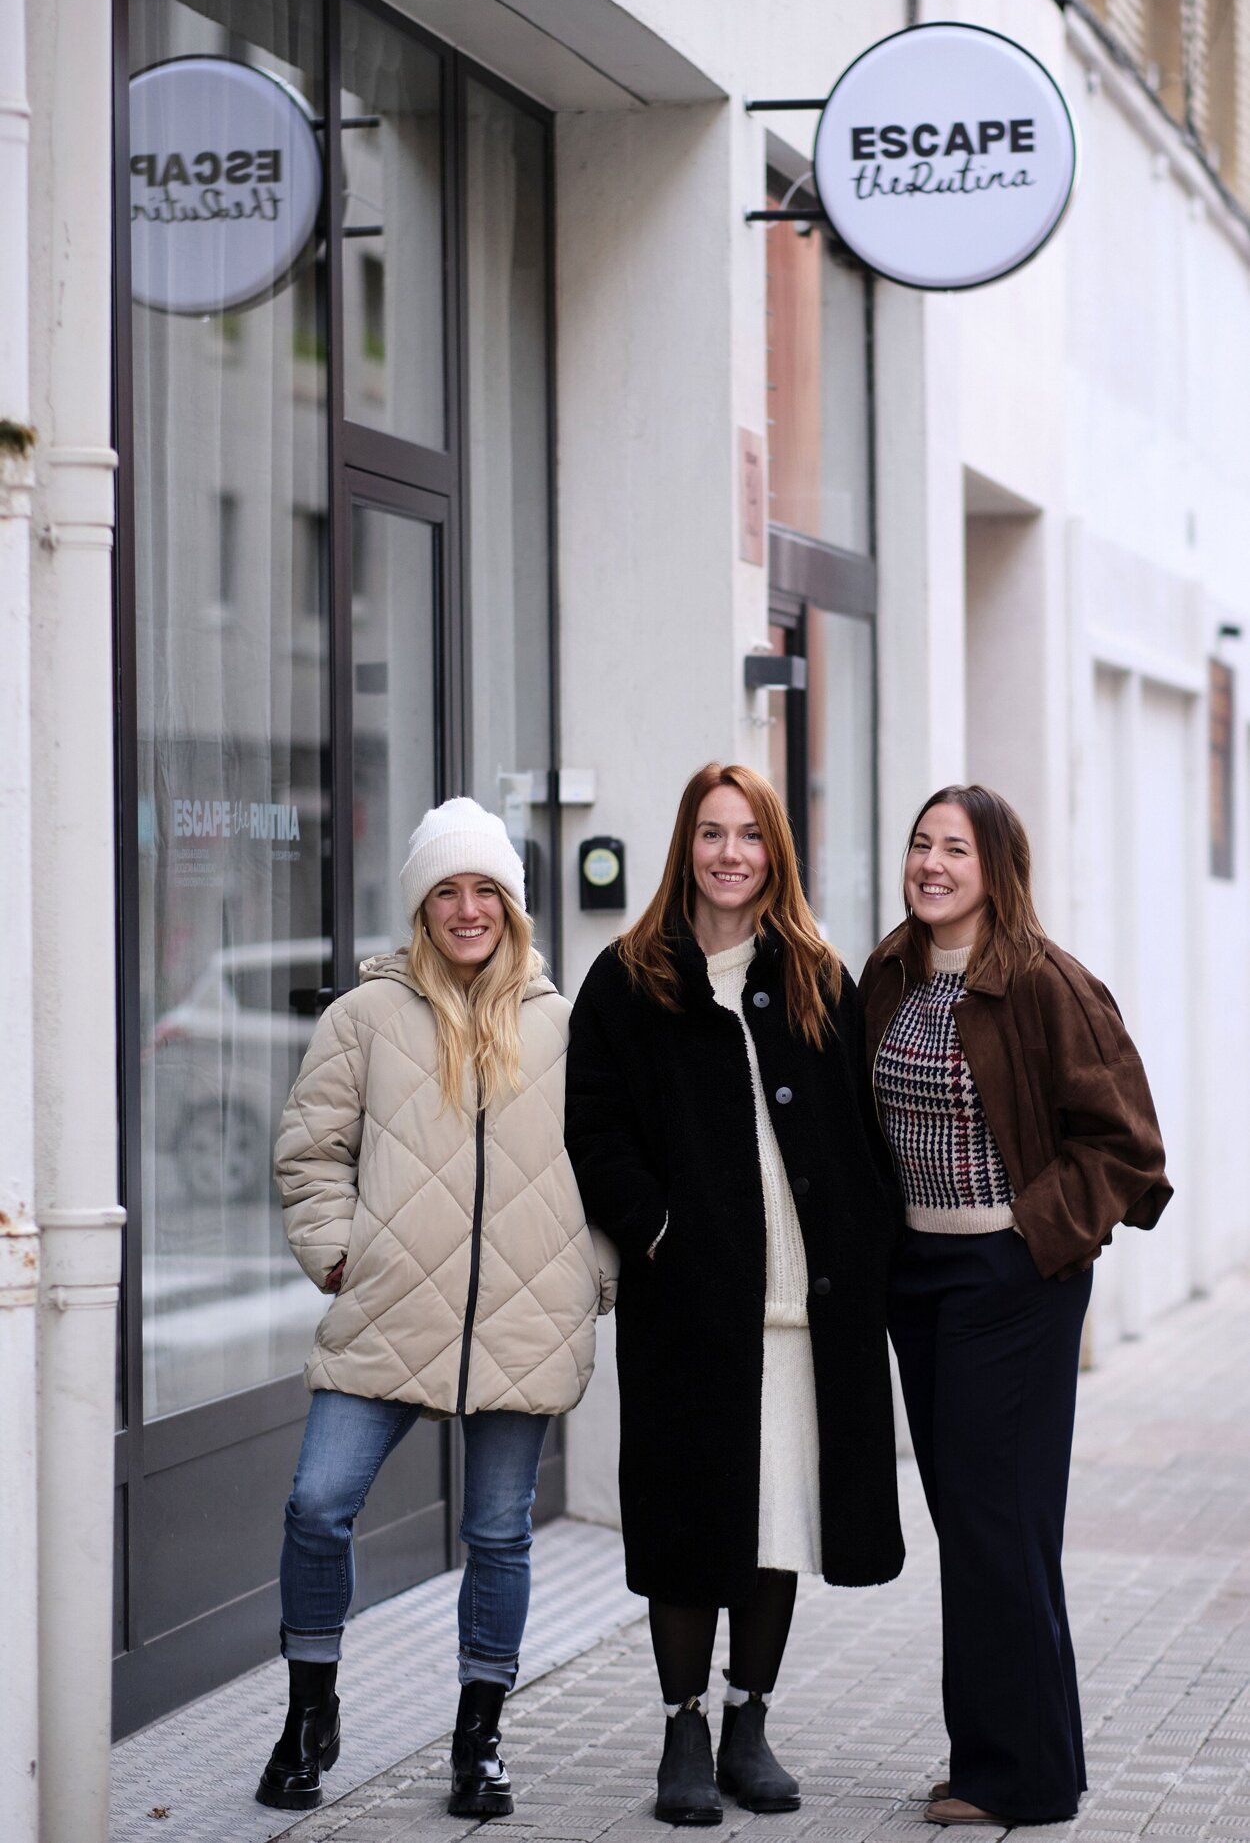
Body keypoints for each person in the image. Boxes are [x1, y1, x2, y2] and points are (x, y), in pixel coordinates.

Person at [255, 797, 615, 1819]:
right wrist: (334, 1251)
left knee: (500, 1532)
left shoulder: (558, 1024)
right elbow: (309, 1149)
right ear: (421, 906)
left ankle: (478, 1736)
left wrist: (591, 1271)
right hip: (384, 1310)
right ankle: (309, 1712)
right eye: (447, 891)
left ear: (510, 902)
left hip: (523, 1315)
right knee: (317, 1504)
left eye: (484, 889)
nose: (468, 909)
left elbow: (607, 1160)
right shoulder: (362, 1018)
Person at [566, 762, 904, 1826]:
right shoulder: (627, 977)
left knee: (776, 1521)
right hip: (692, 1306)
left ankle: (748, 1719)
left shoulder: (814, 972)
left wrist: (870, 1249)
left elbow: (858, 1130)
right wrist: (658, 1228)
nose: (728, 853)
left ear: (773, 852)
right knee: (685, 1515)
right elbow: (593, 1130)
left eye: (747, 834)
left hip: (809, 1304)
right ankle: (682, 1725)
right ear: (685, 845)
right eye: (710, 832)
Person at [860, 784, 1171, 1830]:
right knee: (978, 1526)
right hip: (920, 1277)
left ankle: (1017, 1781)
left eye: (954, 848)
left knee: (1000, 1524)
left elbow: (1126, 1145)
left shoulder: (1045, 983)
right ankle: (1003, 1758)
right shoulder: (888, 973)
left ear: (996, 867)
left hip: (1012, 1283)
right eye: (919, 844)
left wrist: (1029, 1234)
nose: (930, 863)